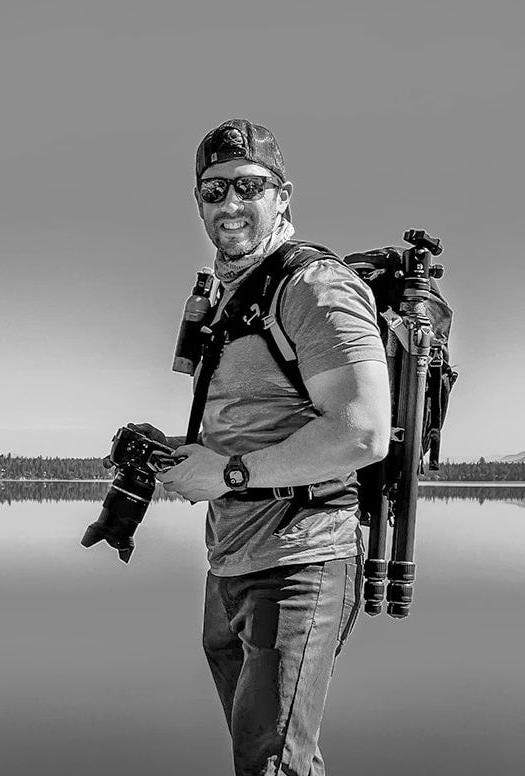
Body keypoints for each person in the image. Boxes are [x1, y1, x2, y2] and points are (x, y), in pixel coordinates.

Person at [134, 119, 390, 776]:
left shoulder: (313, 287)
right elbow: (248, 425)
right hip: (229, 566)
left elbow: (362, 431)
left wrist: (232, 472)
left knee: (274, 766)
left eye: (248, 186)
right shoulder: (230, 295)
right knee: (259, 759)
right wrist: (174, 455)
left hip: (300, 564)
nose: (229, 206)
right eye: (212, 191)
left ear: (284, 195)